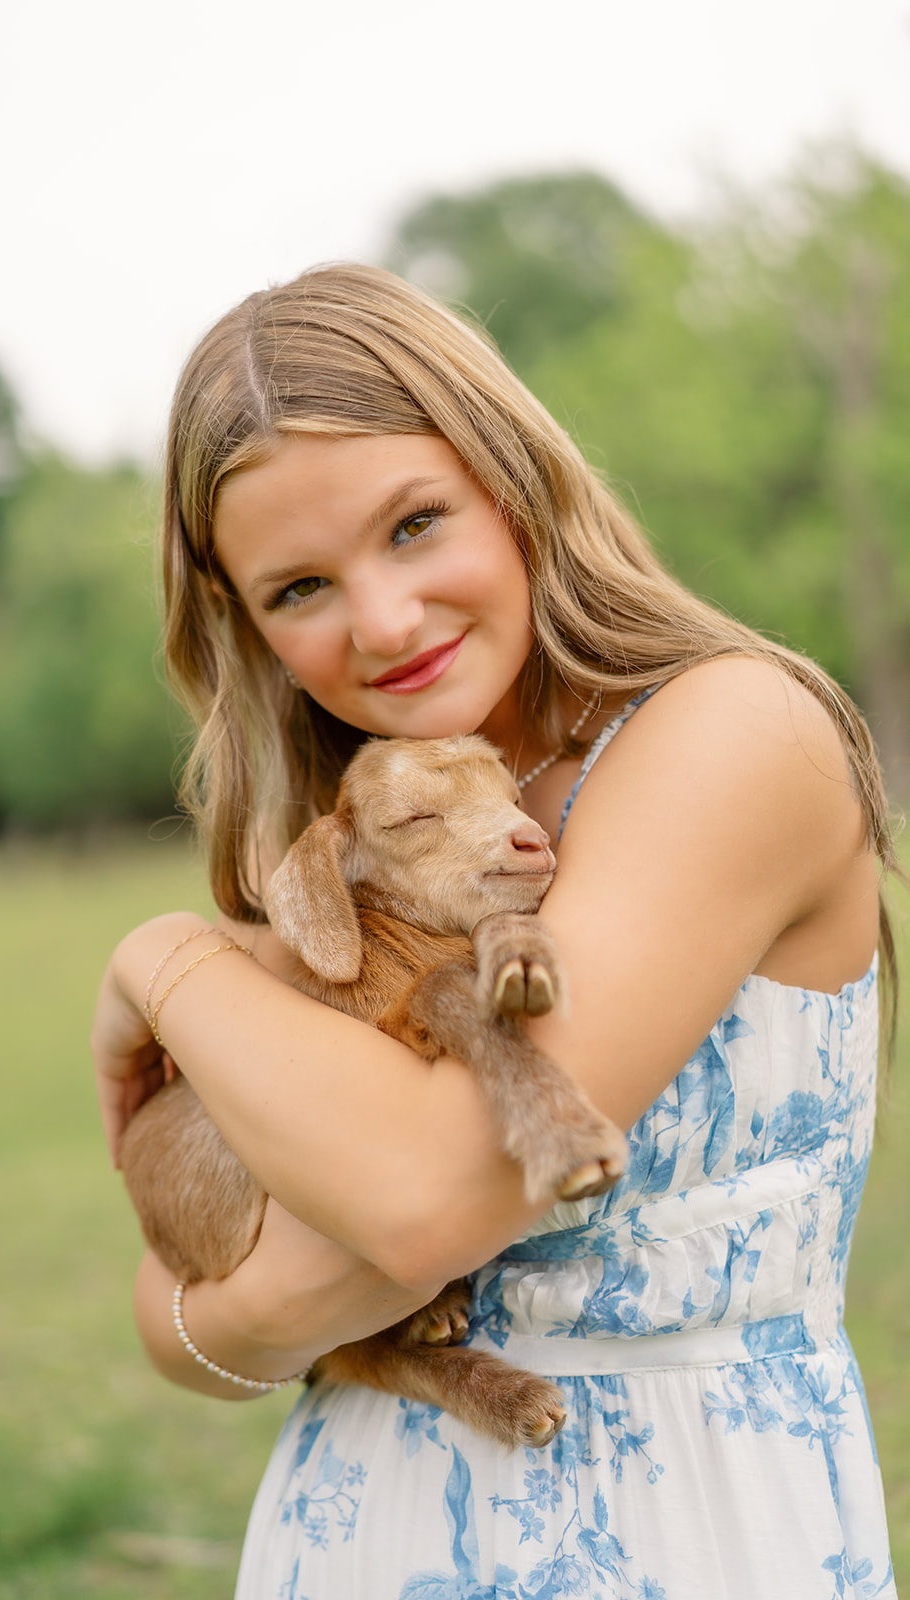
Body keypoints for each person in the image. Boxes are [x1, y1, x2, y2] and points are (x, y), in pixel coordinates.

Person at [91, 263, 896, 1599]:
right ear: (248, 626)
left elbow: (421, 1202)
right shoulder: (360, 850)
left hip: (682, 1525)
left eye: (415, 525)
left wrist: (159, 964)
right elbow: (175, 1312)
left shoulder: (732, 737)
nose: (384, 622)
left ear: (512, 478)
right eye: (299, 589)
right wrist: (268, 1311)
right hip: (358, 1534)